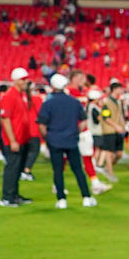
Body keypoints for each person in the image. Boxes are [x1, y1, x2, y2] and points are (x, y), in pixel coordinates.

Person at [37, 74, 96, 208]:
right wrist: (75, 132)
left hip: (54, 141)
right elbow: (83, 121)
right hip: (71, 140)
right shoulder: (74, 102)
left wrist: (48, 138)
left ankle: (61, 199)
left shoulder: (48, 103)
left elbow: (42, 126)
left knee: (58, 170)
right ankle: (86, 197)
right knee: (78, 170)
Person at [0, 68, 32, 207]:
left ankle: (14, 194)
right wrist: (12, 140)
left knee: (18, 168)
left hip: (21, 138)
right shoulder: (9, 96)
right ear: (16, 80)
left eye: (26, 79)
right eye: (22, 79)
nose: (25, 82)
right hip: (14, 139)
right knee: (12, 168)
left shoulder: (20, 95)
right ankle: (7, 197)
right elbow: (5, 119)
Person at [21, 81, 44, 181]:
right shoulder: (36, 99)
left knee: (24, 151)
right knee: (34, 151)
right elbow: (41, 113)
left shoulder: (20, 99)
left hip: (21, 129)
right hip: (33, 129)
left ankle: (22, 169)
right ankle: (26, 170)